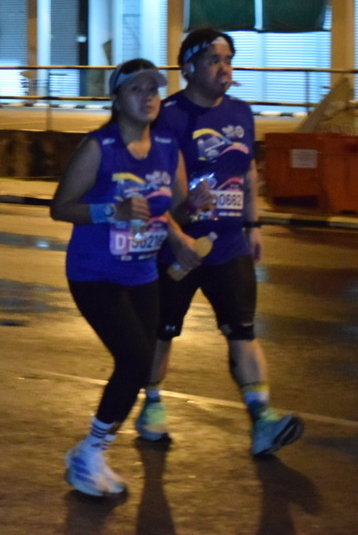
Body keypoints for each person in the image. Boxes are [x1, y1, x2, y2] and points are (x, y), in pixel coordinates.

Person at [136, 27, 304, 456]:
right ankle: (151, 404)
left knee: (242, 331)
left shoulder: (241, 112)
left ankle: (262, 420)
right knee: (162, 331)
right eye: (215, 60)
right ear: (189, 67)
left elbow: (248, 171)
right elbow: (152, 179)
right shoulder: (167, 116)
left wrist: (254, 225)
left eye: (228, 60)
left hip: (229, 245)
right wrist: (178, 222)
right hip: (176, 246)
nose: (224, 68)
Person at [50, 58, 199, 496]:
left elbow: (172, 210)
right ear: (116, 99)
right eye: (136, 89)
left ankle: (92, 453)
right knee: (134, 360)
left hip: (141, 273)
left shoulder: (167, 146)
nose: (148, 96)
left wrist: (187, 219)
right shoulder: (99, 147)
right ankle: (89, 453)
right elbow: (60, 207)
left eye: (154, 89)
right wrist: (109, 211)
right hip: (95, 274)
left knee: (141, 364)